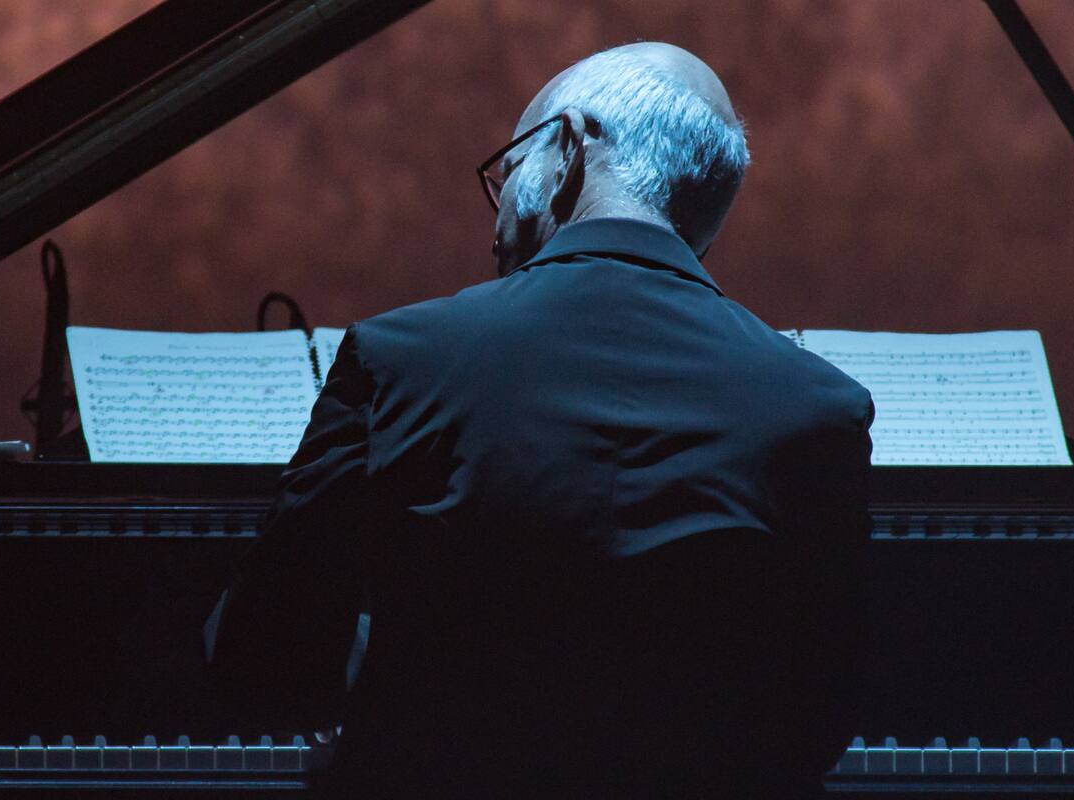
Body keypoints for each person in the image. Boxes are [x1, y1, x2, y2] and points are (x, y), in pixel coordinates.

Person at [204, 42, 873, 798]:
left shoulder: (401, 360)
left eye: (510, 168)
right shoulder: (820, 408)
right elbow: (823, 711)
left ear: (566, 148)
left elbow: (261, 657)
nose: (496, 215)